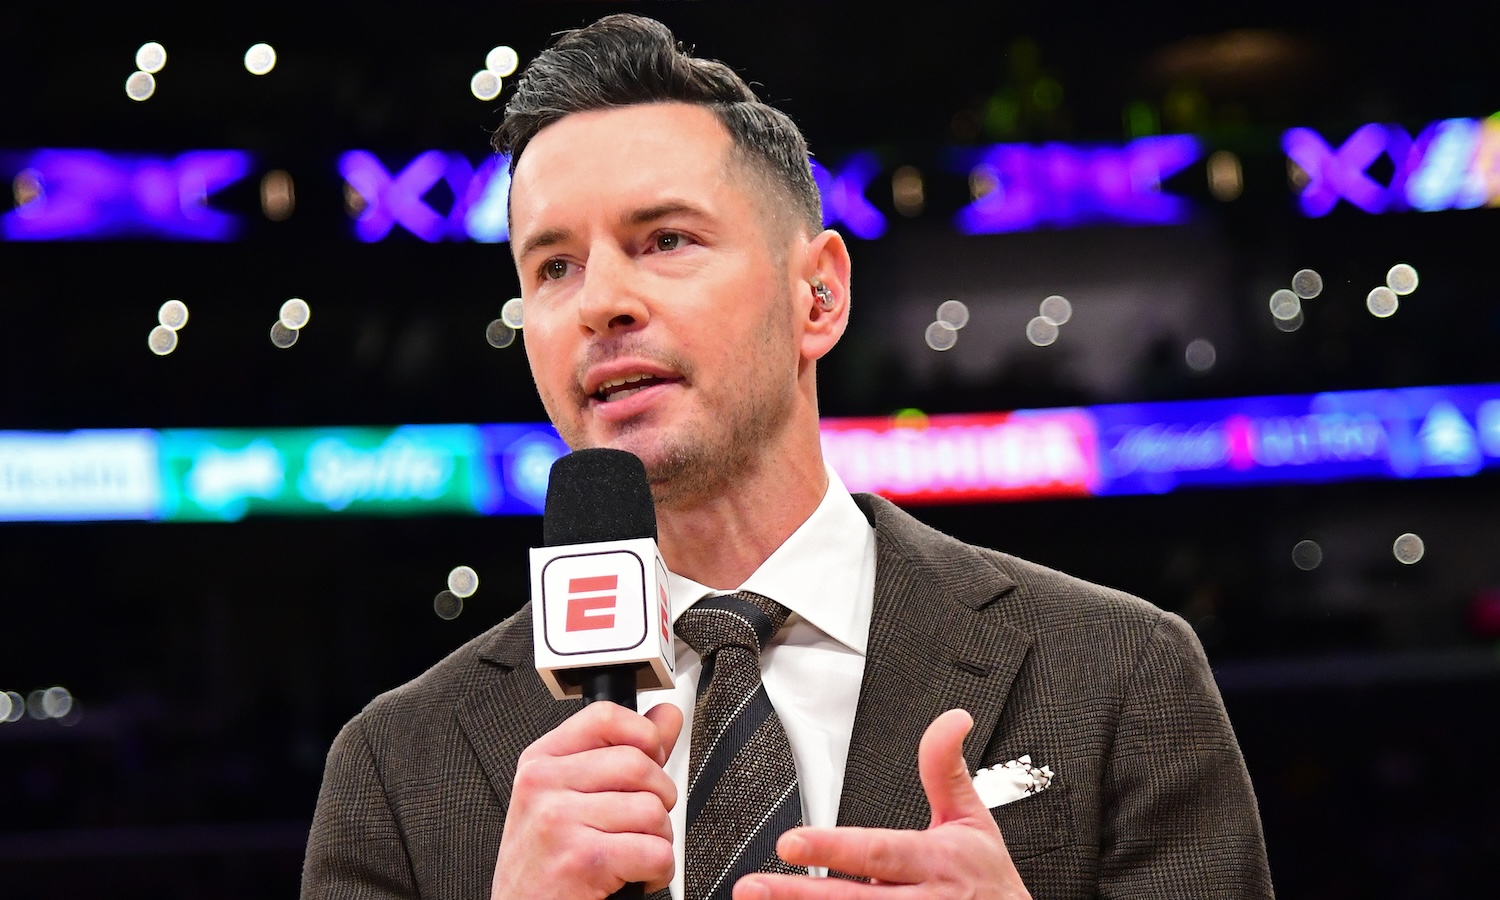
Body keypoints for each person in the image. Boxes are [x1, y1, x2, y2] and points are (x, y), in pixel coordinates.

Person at [301, 13, 1274, 900]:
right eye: (553, 267)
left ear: (819, 296)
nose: (599, 301)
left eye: (666, 239)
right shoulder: (397, 771)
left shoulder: (1117, 674)